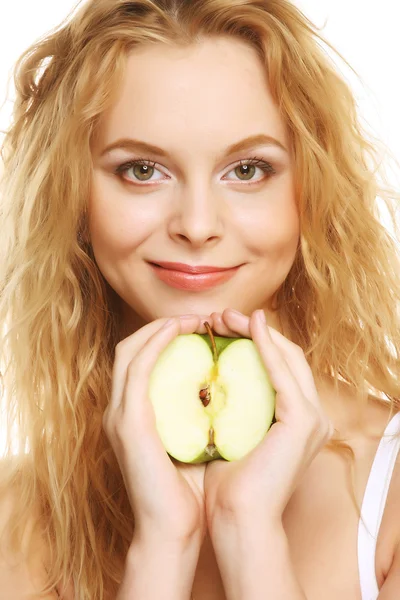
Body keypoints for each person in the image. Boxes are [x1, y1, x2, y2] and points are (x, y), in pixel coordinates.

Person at [0, 0, 399, 598]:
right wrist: (164, 544)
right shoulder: (14, 519)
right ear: (73, 197)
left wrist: (249, 532)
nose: (196, 224)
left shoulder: (390, 491)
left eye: (246, 170)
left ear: (311, 190)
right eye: (140, 170)